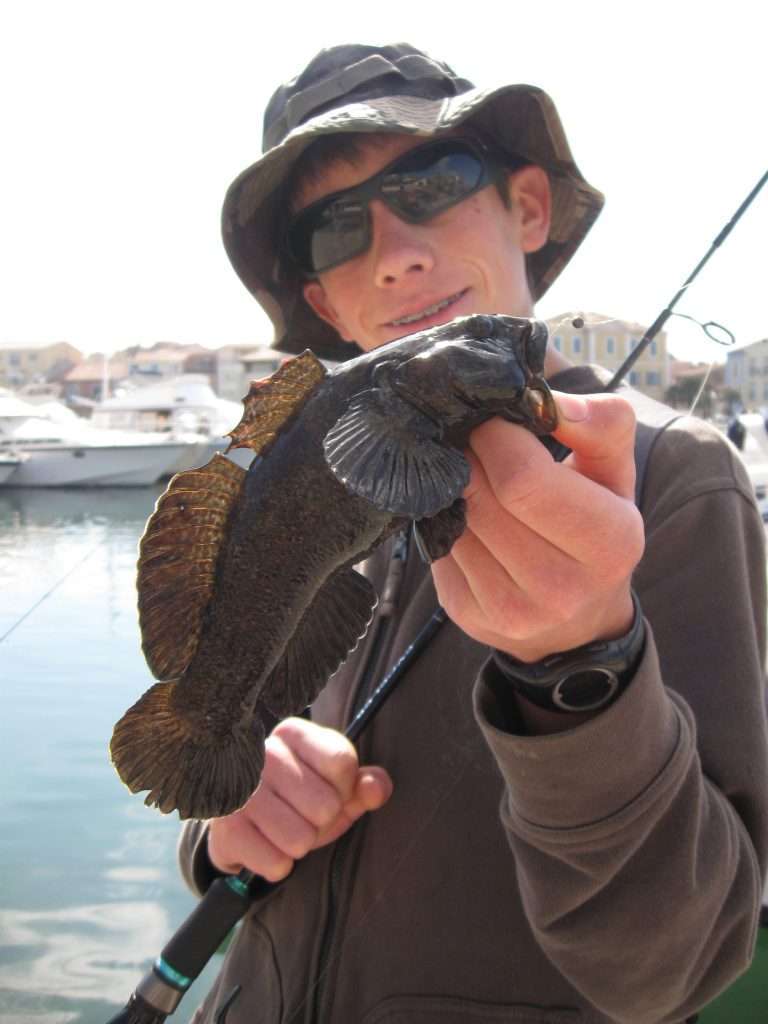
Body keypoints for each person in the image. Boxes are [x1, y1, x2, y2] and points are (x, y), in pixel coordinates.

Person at [178, 43, 768, 1023]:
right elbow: (219, 769)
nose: (396, 251)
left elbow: (680, 962)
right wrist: (224, 823)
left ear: (528, 207)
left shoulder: (677, 477)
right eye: (335, 232)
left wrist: (580, 672)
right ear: (324, 302)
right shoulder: (302, 488)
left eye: (433, 183)